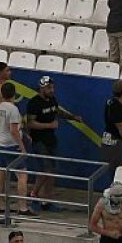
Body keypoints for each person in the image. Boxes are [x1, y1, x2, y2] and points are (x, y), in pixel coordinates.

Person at [25, 76, 80, 211]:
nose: (52, 90)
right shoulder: (34, 103)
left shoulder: (52, 100)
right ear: (42, 88)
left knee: (52, 170)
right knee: (46, 168)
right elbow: (30, 123)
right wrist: (49, 125)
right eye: (49, 88)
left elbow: (58, 111)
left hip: (51, 139)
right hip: (39, 140)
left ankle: (46, 200)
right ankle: (34, 194)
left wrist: (72, 117)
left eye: (53, 87)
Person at [0, 82, 31, 217]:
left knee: (1, 175)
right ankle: (23, 207)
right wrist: (22, 147)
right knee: (22, 176)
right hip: (11, 146)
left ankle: (0, 205)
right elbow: (14, 130)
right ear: (14, 94)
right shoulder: (13, 110)